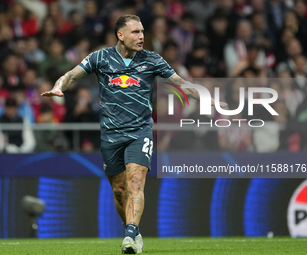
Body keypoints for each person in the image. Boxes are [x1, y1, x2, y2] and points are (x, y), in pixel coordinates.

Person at [41, 14, 226, 254]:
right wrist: (58, 86)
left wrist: (209, 97)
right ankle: (132, 229)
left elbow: (182, 83)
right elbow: (71, 75)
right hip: (110, 135)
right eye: (135, 32)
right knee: (119, 191)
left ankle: (129, 235)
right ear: (120, 35)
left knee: (135, 182)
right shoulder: (101, 57)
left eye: (142, 32)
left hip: (140, 132)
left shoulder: (151, 59)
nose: (141, 37)